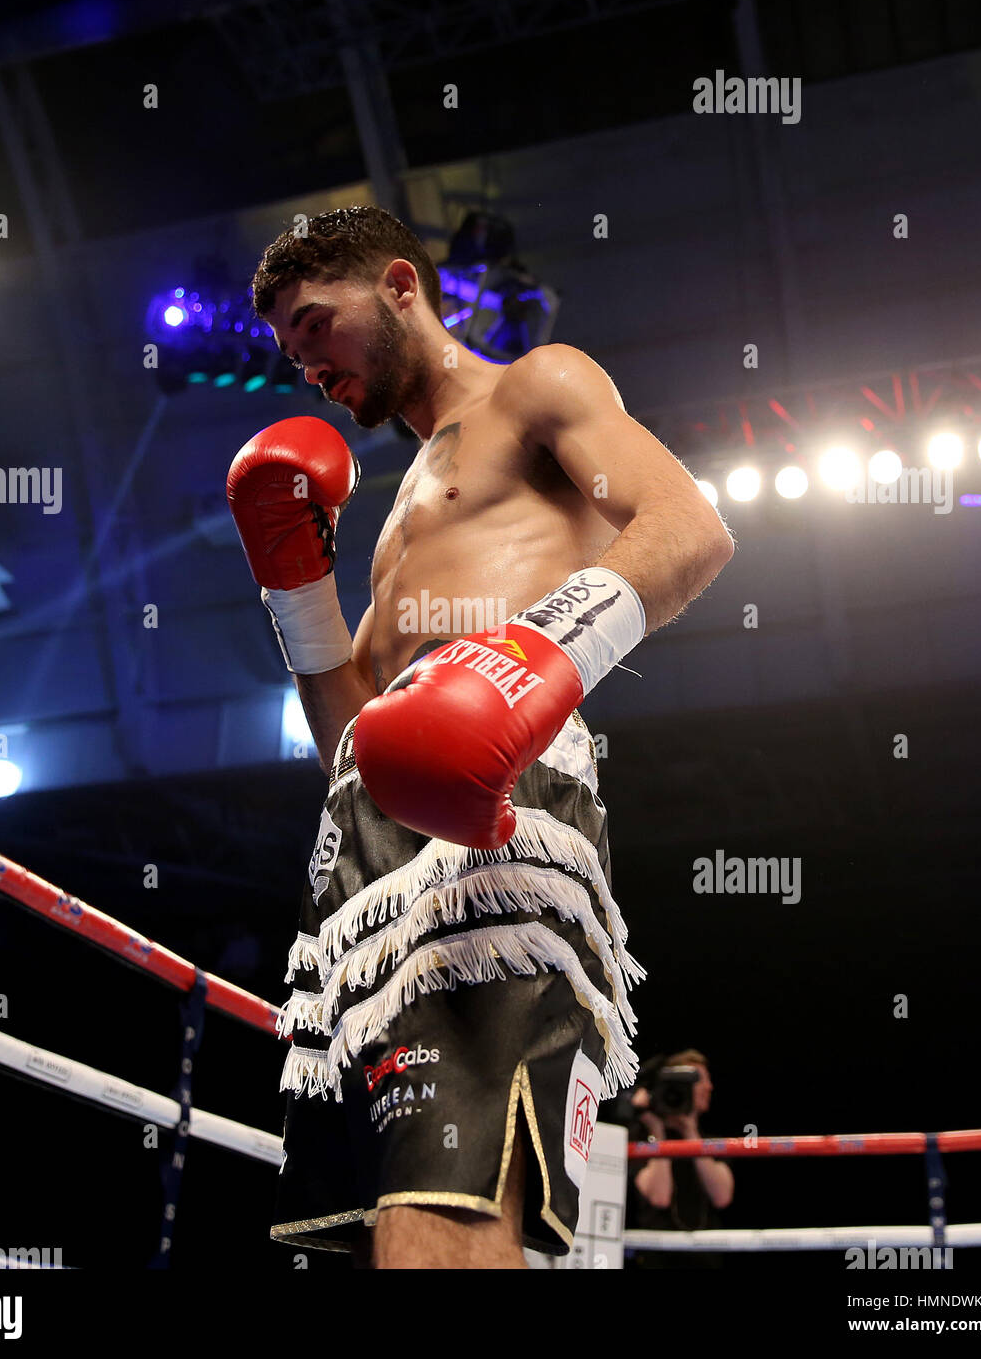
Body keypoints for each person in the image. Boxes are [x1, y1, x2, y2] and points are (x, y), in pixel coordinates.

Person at [229, 205, 734, 1269]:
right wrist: (298, 588)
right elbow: (355, 744)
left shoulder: (536, 385)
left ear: (401, 286)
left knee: (444, 1194)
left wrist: (527, 666)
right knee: (392, 1211)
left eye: (319, 324)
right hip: (378, 841)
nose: (308, 365)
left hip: (502, 797)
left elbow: (689, 528)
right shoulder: (401, 504)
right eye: (289, 350)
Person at [630, 1049, 734, 1269]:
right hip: (657, 1259)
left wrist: (690, 1132)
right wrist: (657, 1133)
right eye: (699, 1080)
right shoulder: (640, 1139)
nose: (709, 1087)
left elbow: (722, 1196)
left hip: (706, 1259)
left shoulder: (712, 1142)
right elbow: (660, 1197)